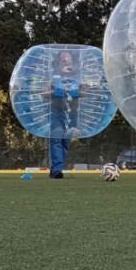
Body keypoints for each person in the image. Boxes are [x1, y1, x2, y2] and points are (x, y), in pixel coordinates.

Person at [48, 50, 81, 179]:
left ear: (72, 60)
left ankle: (56, 168)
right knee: (56, 138)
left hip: (72, 114)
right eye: (63, 58)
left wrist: (75, 92)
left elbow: (86, 92)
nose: (66, 60)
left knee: (65, 142)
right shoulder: (53, 76)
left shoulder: (78, 76)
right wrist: (56, 92)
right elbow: (43, 93)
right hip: (57, 113)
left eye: (68, 58)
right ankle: (57, 170)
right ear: (59, 61)